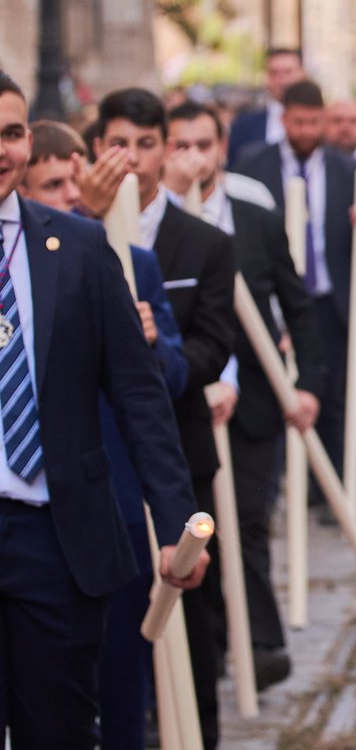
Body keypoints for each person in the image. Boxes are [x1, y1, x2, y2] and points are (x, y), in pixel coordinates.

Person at [0, 70, 207, 747]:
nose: (1, 149)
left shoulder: (78, 247)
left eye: (10, 131)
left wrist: (177, 522)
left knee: (58, 730)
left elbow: (139, 391)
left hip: (55, 542)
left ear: (28, 139)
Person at [87, 87, 237, 750]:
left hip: (180, 448)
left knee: (189, 619)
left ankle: (194, 737)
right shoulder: (69, 234)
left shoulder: (201, 242)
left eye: (150, 145)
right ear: (98, 148)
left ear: (165, 148)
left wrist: (156, 345)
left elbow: (211, 348)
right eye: (121, 143)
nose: (136, 160)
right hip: (101, 463)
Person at [164, 99, 327, 688]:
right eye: (179, 145)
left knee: (249, 522)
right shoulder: (149, 226)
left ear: (222, 148)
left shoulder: (253, 217)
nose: (192, 157)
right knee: (194, 529)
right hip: (183, 406)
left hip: (255, 400)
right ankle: (209, 649)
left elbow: (296, 303)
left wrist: (307, 385)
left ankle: (259, 643)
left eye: (202, 144)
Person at [234, 80, 356, 513]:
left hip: (330, 300)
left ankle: (344, 485)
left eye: (313, 122)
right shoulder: (253, 165)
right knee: (285, 396)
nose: (306, 130)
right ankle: (296, 484)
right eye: (298, 121)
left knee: (340, 394)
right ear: (284, 119)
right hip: (274, 303)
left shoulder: (348, 171)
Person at [226, 47, 307, 167]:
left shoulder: (325, 123)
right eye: (274, 73)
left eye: (288, 72)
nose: (282, 80)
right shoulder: (243, 126)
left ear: (302, 74)